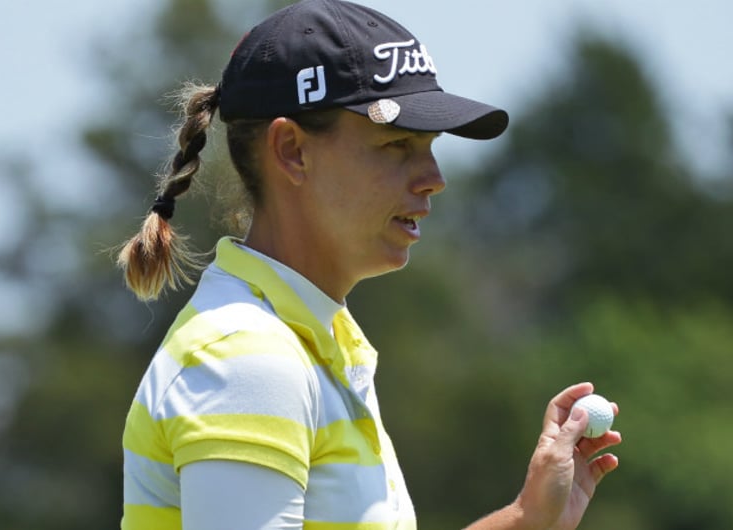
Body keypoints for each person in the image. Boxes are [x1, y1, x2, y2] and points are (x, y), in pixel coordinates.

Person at [116, 1, 622, 528]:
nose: (433, 176)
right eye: (397, 144)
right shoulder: (247, 359)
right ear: (291, 150)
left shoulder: (310, 344)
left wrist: (526, 519)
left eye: (429, 145)